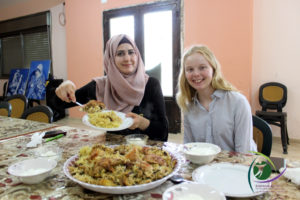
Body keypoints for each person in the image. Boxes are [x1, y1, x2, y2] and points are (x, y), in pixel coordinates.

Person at [55, 34, 168, 141]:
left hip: (145, 153)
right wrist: (64, 87)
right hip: (111, 153)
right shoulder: (101, 86)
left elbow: (163, 133)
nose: (127, 58)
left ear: (137, 55)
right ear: (110, 59)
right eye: (120, 54)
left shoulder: (151, 85)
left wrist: (142, 123)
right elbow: (58, 103)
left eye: (131, 52)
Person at [176, 45, 257, 153]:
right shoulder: (188, 107)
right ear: (185, 74)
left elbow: (244, 153)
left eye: (202, 67)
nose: (196, 74)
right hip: (204, 167)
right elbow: (189, 148)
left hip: (235, 166)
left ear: (213, 69)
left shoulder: (238, 102)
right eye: (190, 69)